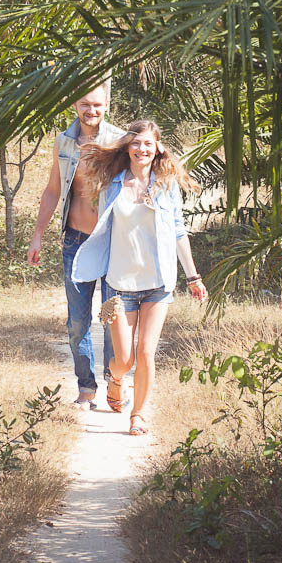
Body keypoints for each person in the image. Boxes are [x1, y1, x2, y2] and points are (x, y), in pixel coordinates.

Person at [70, 120, 207, 435]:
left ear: (157, 146)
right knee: (124, 360)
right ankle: (115, 380)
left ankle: (138, 415)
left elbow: (178, 231)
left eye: (148, 143)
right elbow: (102, 227)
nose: (142, 149)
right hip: (119, 287)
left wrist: (193, 277)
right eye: (136, 143)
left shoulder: (165, 185)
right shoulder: (113, 185)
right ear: (127, 147)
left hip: (158, 285)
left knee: (146, 353)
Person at [27, 84, 127, 410]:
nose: (91, 111)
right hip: (75, 240)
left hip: (112, 241)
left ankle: (116, 383)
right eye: (86, 104)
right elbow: (53, 191)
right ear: (75, 104)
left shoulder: (121, 141)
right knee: (78, 322)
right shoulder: (64, 142)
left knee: (113, 318)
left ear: (106, 104)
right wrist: (38, 235)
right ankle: (86, 389)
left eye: (97, 105)